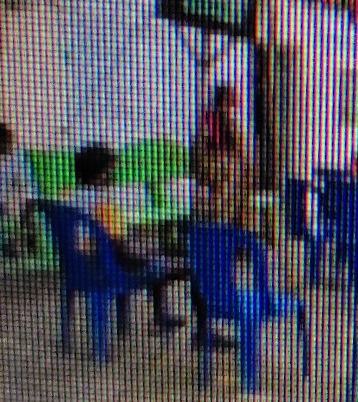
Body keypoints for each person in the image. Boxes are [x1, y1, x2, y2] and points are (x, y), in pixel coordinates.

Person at [66, 144, 187, 334]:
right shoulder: (102, 202)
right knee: (158, 263)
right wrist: (145, 255)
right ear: (101, 175)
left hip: (77, 267)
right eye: (110, 172)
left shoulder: (72, 199)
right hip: (105, 268)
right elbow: (119, 244)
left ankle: (141, 317)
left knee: (151, 254)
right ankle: (160, 315)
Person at [194, 85, 252, 228]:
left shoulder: (228, 122)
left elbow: (240, 150)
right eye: (232, 101)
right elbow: (207, 147)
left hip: (226, 167)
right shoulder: (212, 120)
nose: (235, 106)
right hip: (220, 166)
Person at [0, 123, 34, 258]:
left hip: (13, 205)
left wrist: (23, 203)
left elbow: (26, 187)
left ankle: (18, 246)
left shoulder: (17, 159)